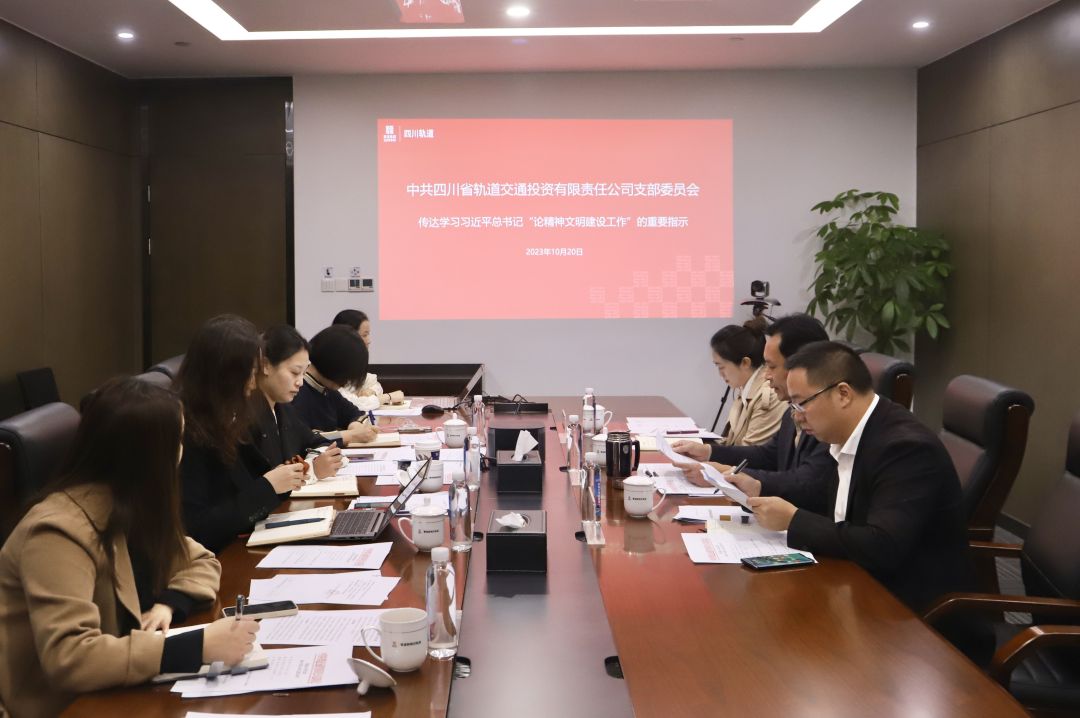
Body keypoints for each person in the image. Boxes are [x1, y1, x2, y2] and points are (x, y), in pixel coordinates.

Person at [0, 377, 258, 718]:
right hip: (65, 706)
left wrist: (170, 603)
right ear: (149, 455)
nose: (182, 452)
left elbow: (202, 561)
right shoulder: (56, 531)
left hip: (119, 689)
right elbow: (71, 657)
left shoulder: (130, 505)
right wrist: (195, 647)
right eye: (178, 441)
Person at [747, 341, 974, 612]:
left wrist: (793, 520)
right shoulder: (847, 434)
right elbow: (828, 501)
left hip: (910, 612)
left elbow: (883, 545)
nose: (797, 417)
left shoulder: (905, 448)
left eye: (801, 404)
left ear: (843, 394)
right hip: (855, 585)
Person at [177, 315, 308, 553]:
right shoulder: (186, 430)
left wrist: (285, 479)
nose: (253, 384)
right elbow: (198, 528)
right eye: (250, 373)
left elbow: (254, 480)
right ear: (227, 375)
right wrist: (269, 486)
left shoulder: (227, 417)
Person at [673, 314, 834, 495]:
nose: (766, 375)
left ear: (802, 366)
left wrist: (725, 474)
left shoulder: (828, 417)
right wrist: (708, 451)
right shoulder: (792, 410)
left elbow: (808, 482)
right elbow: (768, 455)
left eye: (772, 367)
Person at [250, 325, 343, 479]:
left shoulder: (283, 408)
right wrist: (312, 470)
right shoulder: (248, 416)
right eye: (294, 372)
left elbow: (315, 441)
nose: (300, 382)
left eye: (303, 374)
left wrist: (319, 460)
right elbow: (265, 479)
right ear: (265, 366)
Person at [704, 317, 787, 447]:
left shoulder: (768, 395)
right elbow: (730, 442)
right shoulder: (746, 388)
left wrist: (708, 451)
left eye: (721, 367)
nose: (720, 374)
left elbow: (749, 453)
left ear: (745, 363)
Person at [292, 324, 379, 444]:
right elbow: (304, 438)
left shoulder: (327, 390)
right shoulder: (296, 391)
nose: (346, 382)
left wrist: (356, 426)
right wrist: (351, 435)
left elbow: (355, 413)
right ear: (336, 364)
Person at [332, 309, 402, 410]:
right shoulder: (331, 364)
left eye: (368, 334)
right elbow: (352, 405)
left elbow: (374, 383)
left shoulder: (352, 362)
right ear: (348, 336)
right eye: (364, 335)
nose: (369, 341)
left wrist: (371, 392)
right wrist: (388, 397)